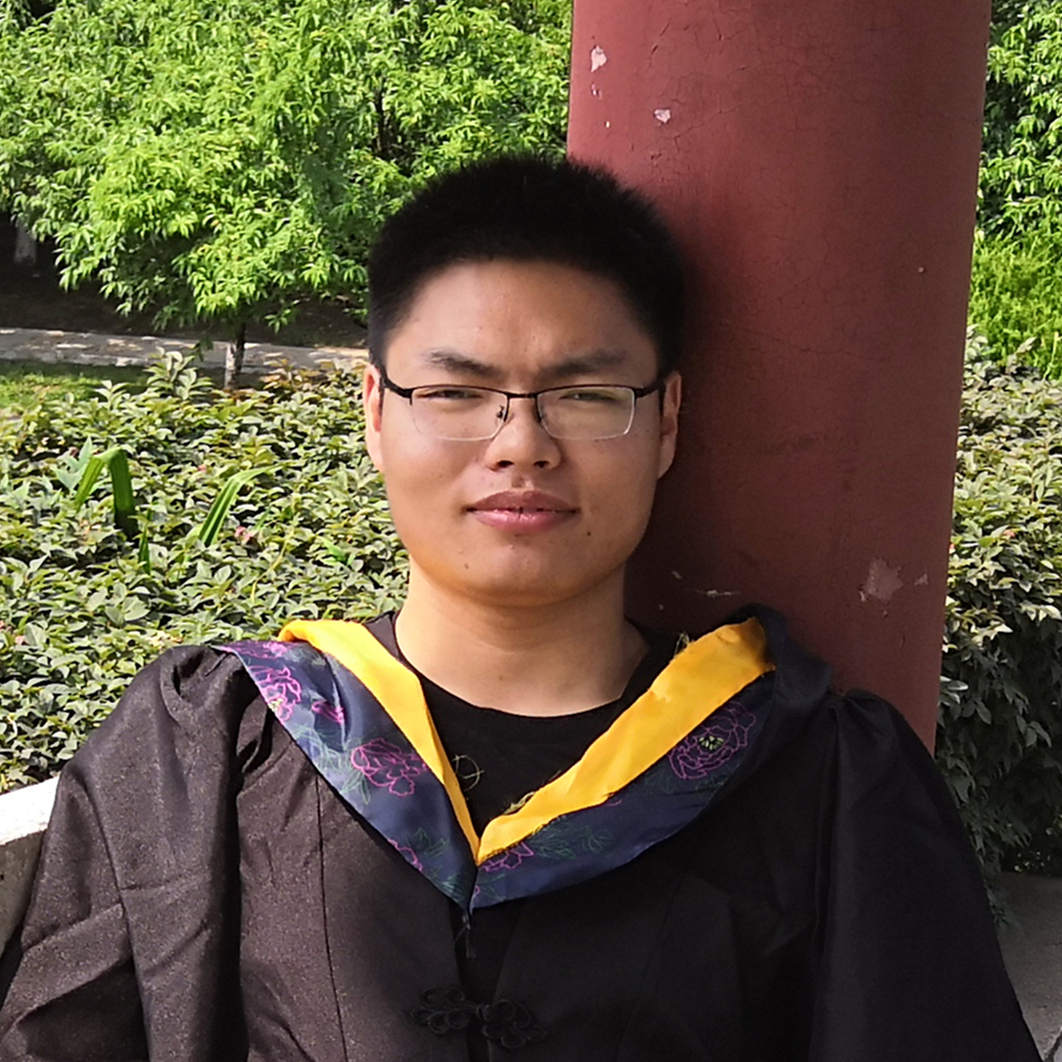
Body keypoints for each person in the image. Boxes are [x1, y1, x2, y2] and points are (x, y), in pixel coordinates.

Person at [0, 156, 1037, 1062]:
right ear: (376, 414)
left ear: (667, 422)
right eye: (457, 393)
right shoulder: (211, 747)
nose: (521, 446)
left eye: (586, 396)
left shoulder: (815, 777)